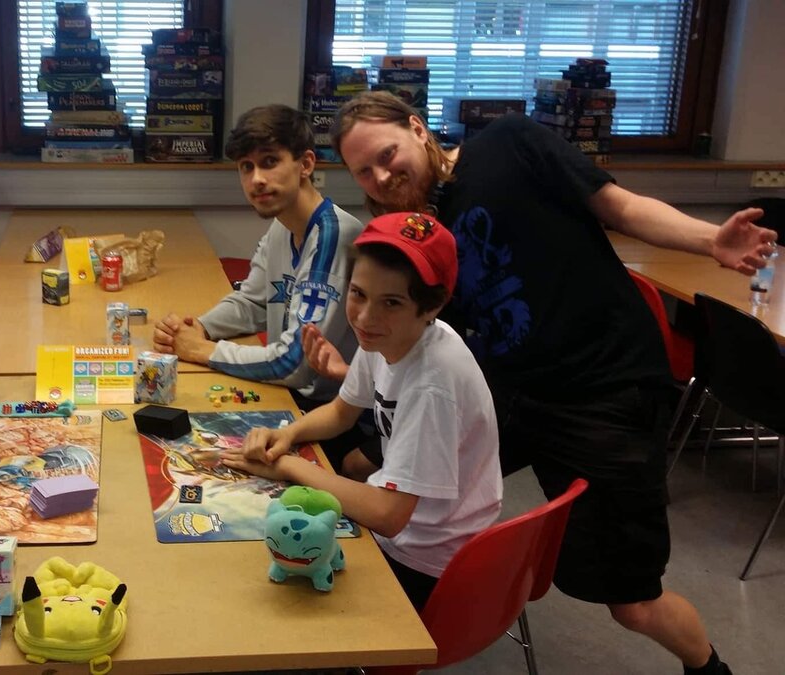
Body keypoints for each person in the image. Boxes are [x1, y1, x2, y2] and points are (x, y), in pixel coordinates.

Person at [330, 91, 777, 675]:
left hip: (605, 389)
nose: (382, 176)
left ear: (417, 129)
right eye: (364, 171)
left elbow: (620, 207)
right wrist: (358, 375)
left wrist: (708, 240)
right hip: (511, 391)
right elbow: (420, 331)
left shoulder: (509, 143)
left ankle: (708, 668)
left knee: (632, 602)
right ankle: (376, 615)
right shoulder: (419, 229)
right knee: (362, 459)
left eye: (387, 155)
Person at [220, 211, 501, 612]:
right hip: (408, 527)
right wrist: (288, 434)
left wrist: (290, 467)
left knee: (266, 584)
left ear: (432, 306)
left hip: (427, 562)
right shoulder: (390, 336)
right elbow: (341, 412)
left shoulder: (432, 384)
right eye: (358, 294)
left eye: (391, 302)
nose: (366, 317)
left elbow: (388, 515)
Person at [152, 104, 367, 470]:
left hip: (328, 414)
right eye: (246, 167)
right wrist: (198, 327)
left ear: (306, 164)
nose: (256, 180)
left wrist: (203, 350)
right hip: (289, 395)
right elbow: (252, 302)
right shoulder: (283, 224)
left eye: (270, 162)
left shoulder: (332, 237)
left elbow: (295, 363)